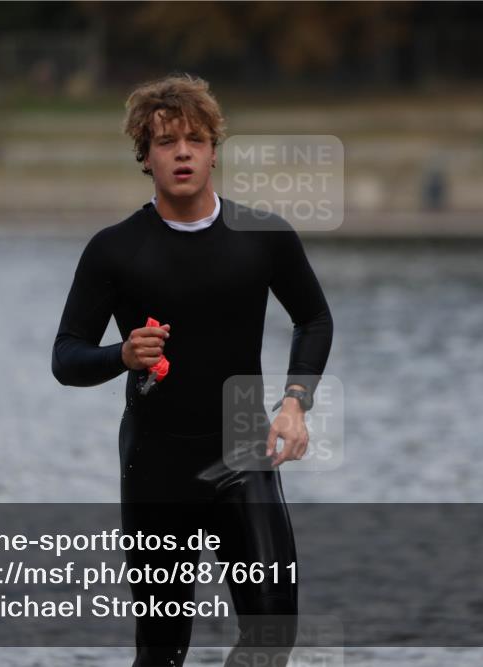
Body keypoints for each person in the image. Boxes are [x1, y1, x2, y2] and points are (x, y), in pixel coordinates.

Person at [52, 73, 333, 667]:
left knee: (271, 638)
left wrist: (293, 403)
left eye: (195, 139)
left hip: (239, 439)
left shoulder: (263, 236)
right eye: (165, 141)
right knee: (161, 654)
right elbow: (66, 357)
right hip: (155, 458)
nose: (182, 151)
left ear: (213, 151)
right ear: (145, 157)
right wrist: (121, 355)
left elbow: (314, 319)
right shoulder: (115, 249)